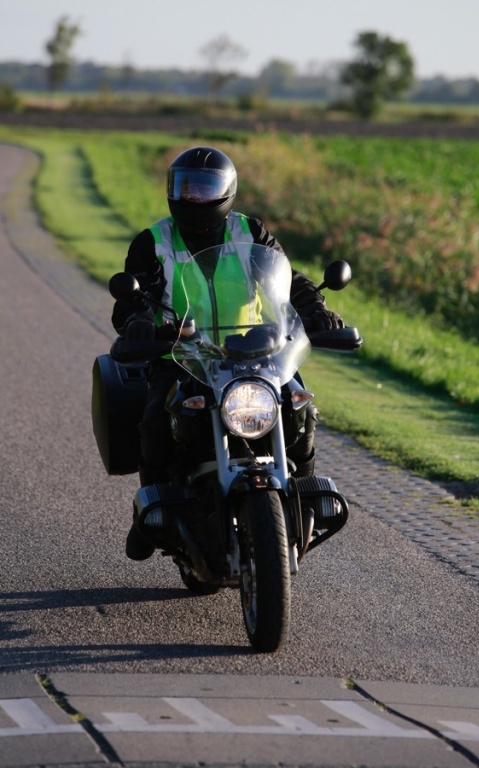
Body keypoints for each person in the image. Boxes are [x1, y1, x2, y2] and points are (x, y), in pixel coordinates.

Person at [112, 146, 344, 560]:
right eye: (186, 188)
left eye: (205, 189)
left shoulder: (249, 232)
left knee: (300, 407)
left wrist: (316, 311)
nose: (194, 198)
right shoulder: (153, 241)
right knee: (155, 423)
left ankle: (303, 500)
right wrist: (138, 322)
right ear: (172, 190)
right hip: (182, 357)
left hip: (255, 355)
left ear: (227, 191)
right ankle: (151, 511)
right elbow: (134, 296)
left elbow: (288, 280)